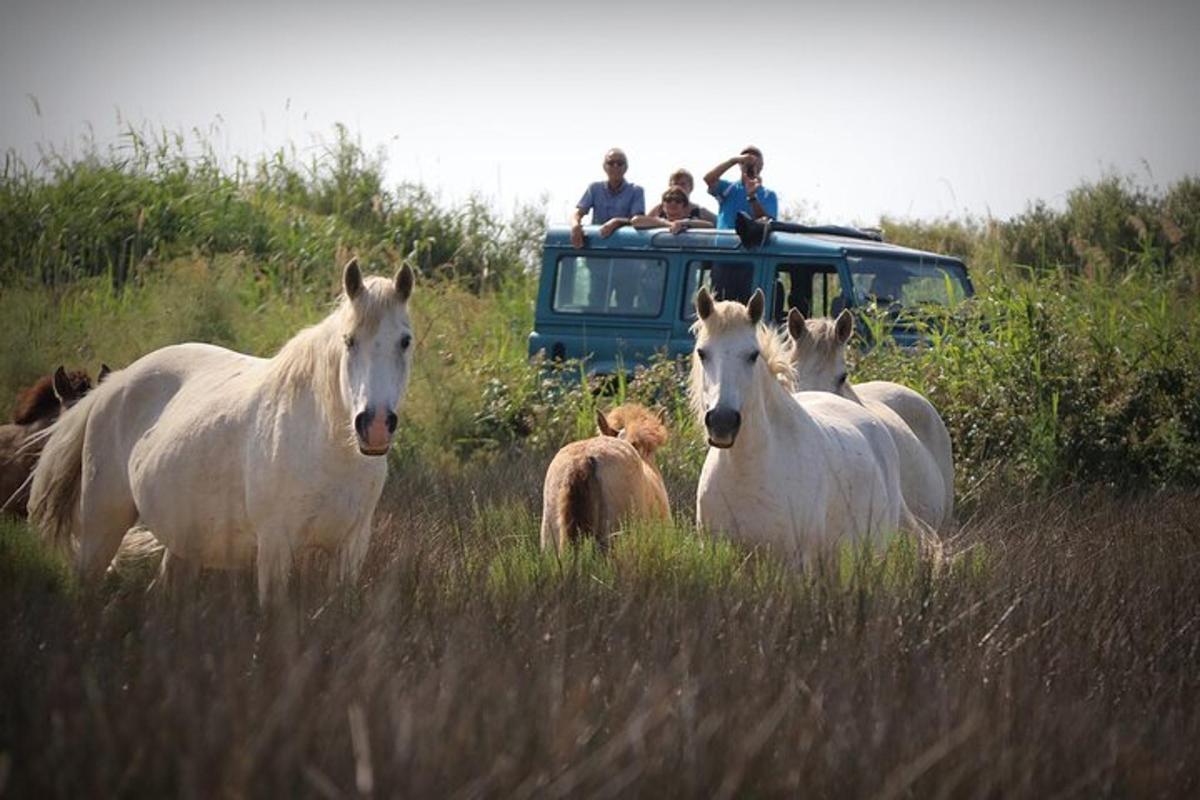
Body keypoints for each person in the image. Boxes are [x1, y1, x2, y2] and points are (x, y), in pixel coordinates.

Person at [570, 148, 646, 248]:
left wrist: (617, 222)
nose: (615, 166)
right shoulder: (594, 188)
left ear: (626, 167)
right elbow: (578, 213)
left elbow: (638, 221)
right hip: (598, 247)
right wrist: (575, 225)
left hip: (625, 248)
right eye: (611, 163)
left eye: (619, 163)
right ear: (604, 167)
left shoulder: (636, 191)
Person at [703, 145, 778, 229]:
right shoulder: (728, 188)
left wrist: (752, 197)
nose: (750, 161)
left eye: (755, 159)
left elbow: (767, 223)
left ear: (762, 165)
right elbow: (708, 179)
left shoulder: (768, 195)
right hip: (724, 241)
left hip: (751, 242)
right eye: (745, 158)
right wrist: (733, 160)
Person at [645, 168, 717, 224]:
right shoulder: (659, 209)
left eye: (682, 184)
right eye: (675, 184)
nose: (678, 187)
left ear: (691, 187)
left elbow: (718, 224)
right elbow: (641, 222)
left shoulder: (699, 211)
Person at [630, 186, 715, 234]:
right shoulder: (657, 221)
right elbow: (635, 221)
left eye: (678, 200)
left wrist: (682, 224)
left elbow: (710, 226)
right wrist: (669, 224)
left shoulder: (691, 222)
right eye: (668, 200)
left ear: (684, 206)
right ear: (663, 205)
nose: (673, 203)